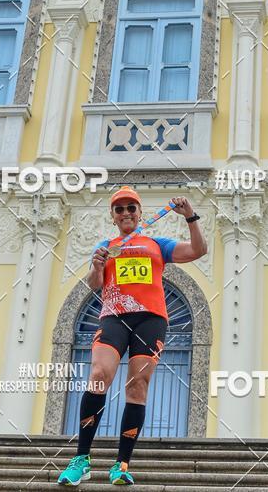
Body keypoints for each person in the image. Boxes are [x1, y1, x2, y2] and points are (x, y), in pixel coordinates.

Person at [58, 186, 207, 486]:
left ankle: (122, 464)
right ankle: (81, 460)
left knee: (137, 386)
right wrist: (97, 266)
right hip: (113, 316)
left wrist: (190, 216)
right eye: (119, 209)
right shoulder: (106, 245)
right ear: (113, 216)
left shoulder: (156, 243)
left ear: (139, 213)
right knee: (99, 375)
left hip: (150, 320)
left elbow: (198, 251)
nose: (126, 213)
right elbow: (93, 284)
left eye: (131, 208)